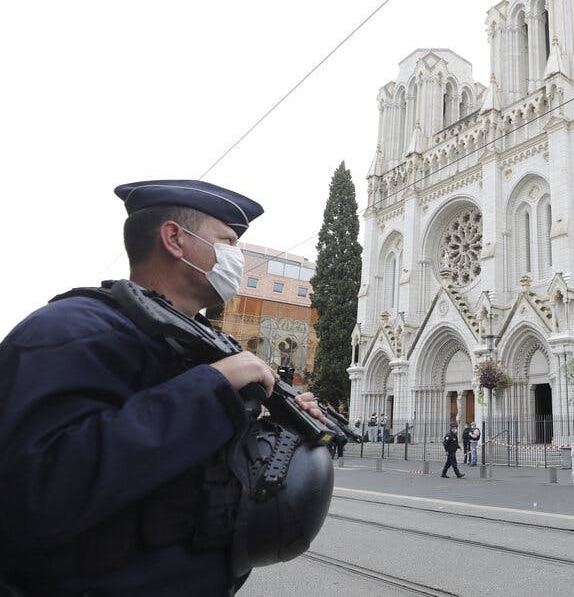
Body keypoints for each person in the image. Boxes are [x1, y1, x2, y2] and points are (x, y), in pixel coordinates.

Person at [0, 179, 330, 596]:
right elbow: (35, 492)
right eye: (227, 241)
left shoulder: (206, 348)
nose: (238, 258)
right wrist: (213, 388)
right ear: (175, 239)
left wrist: (286, 428)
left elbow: (218, 476)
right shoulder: (69, 331)